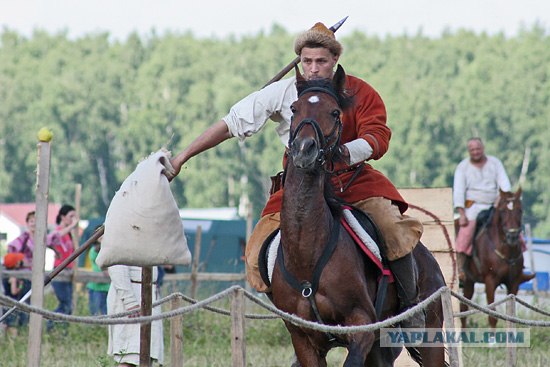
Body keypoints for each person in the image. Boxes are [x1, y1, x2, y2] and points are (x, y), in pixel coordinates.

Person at [169, 22, 424, 328]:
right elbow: (230, 123)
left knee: (394, 229)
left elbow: (378, 136)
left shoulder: (360, 92)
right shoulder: (283, 93)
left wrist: (343, 152)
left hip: (352, 183)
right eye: (307, 61)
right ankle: (298, 320)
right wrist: (183, 157)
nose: (314, 68)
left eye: (321, 61)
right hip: (298, 191)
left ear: (335, 61)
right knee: (254, 254)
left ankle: (411, 311)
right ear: (299, 61)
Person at [453, 137, 512, 283]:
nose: (475, 152)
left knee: (512, 226)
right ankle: (460, 269)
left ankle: (518, 266)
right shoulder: (463, 167)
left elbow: (505, 184)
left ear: (483, 148)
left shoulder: (495, 163)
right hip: (473, 206)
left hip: (495, 204)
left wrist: (501, 198)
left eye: (478, 149)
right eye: (472, 149)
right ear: (469, 151)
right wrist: (461, 213)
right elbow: (459, 191)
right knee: (465, 235)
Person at [107, 265, 164, 366]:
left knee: (147, 353)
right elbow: (117, 267)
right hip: (133, 294)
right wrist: (130, 300)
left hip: (148, 292)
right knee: (129, 354)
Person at [46, 204, 79, 331]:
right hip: (59, 271)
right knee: (65, 303)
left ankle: (63, 330)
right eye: (71, 216)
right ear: (62, 217)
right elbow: (50, 240)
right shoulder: (58, 231)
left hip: (69, 270)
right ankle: (50, 324)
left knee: (69, 305)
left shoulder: (70, 234)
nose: (73, 219)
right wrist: (72, 226)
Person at [2, 252, 29, 337]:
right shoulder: (13, 277)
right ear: (15, 264)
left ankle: (7, 339)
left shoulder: (6, 274)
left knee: (7, 323)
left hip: (6, 303)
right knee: (12, 325)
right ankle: (13, 341)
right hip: (12, 303)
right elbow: (14, 291)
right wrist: (20, 285)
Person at [86, 230, 109, 315]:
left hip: (106, 286)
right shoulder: (94, 250)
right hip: (96, 286)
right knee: (95, 311)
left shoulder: (107, 249)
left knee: (105, 311)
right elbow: (97, 265)